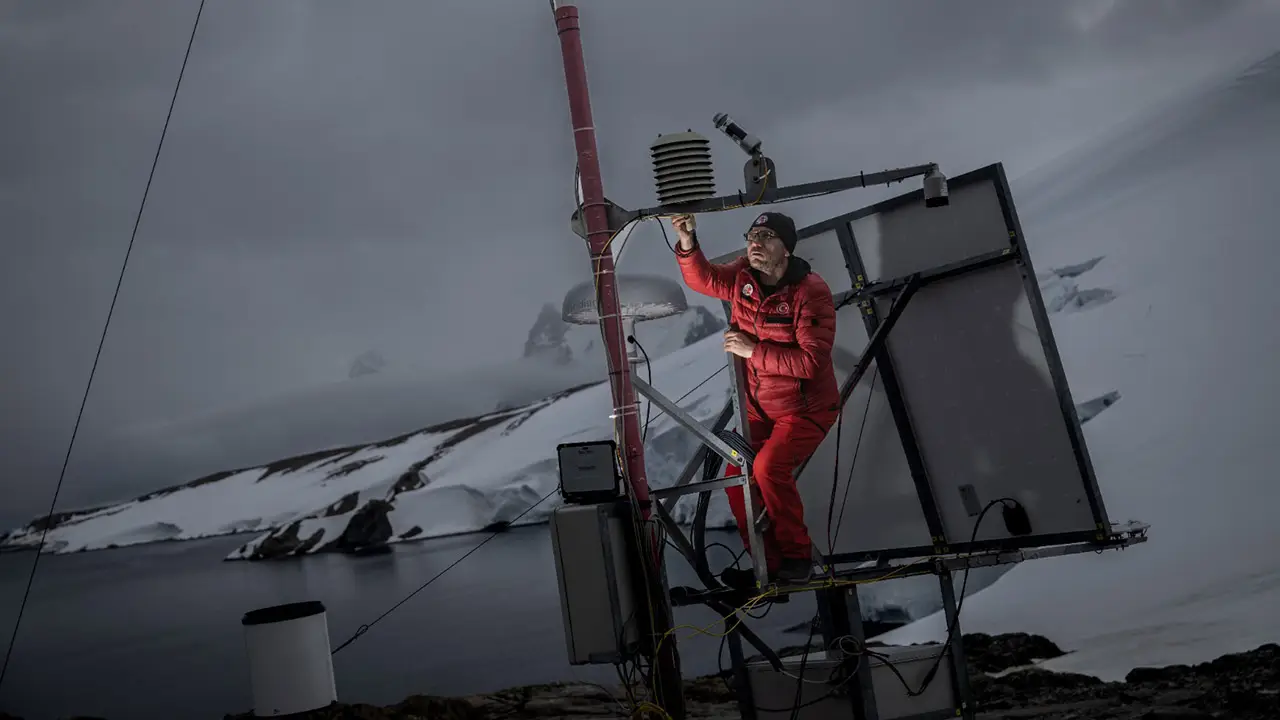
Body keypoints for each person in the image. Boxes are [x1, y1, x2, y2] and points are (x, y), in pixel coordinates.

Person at [670, 211, 840, 585]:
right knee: (737, 475)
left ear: (786, 250)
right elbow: (705, 279)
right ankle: (767, 563)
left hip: (805, 409)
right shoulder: (743, 276)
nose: (755, 244)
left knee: (767, 468)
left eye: (766, 236)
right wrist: (687, 241)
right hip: (759, 408)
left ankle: (798, 558)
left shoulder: (811, 291)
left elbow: (811, 363)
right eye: (752, 235)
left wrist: (753, 351)